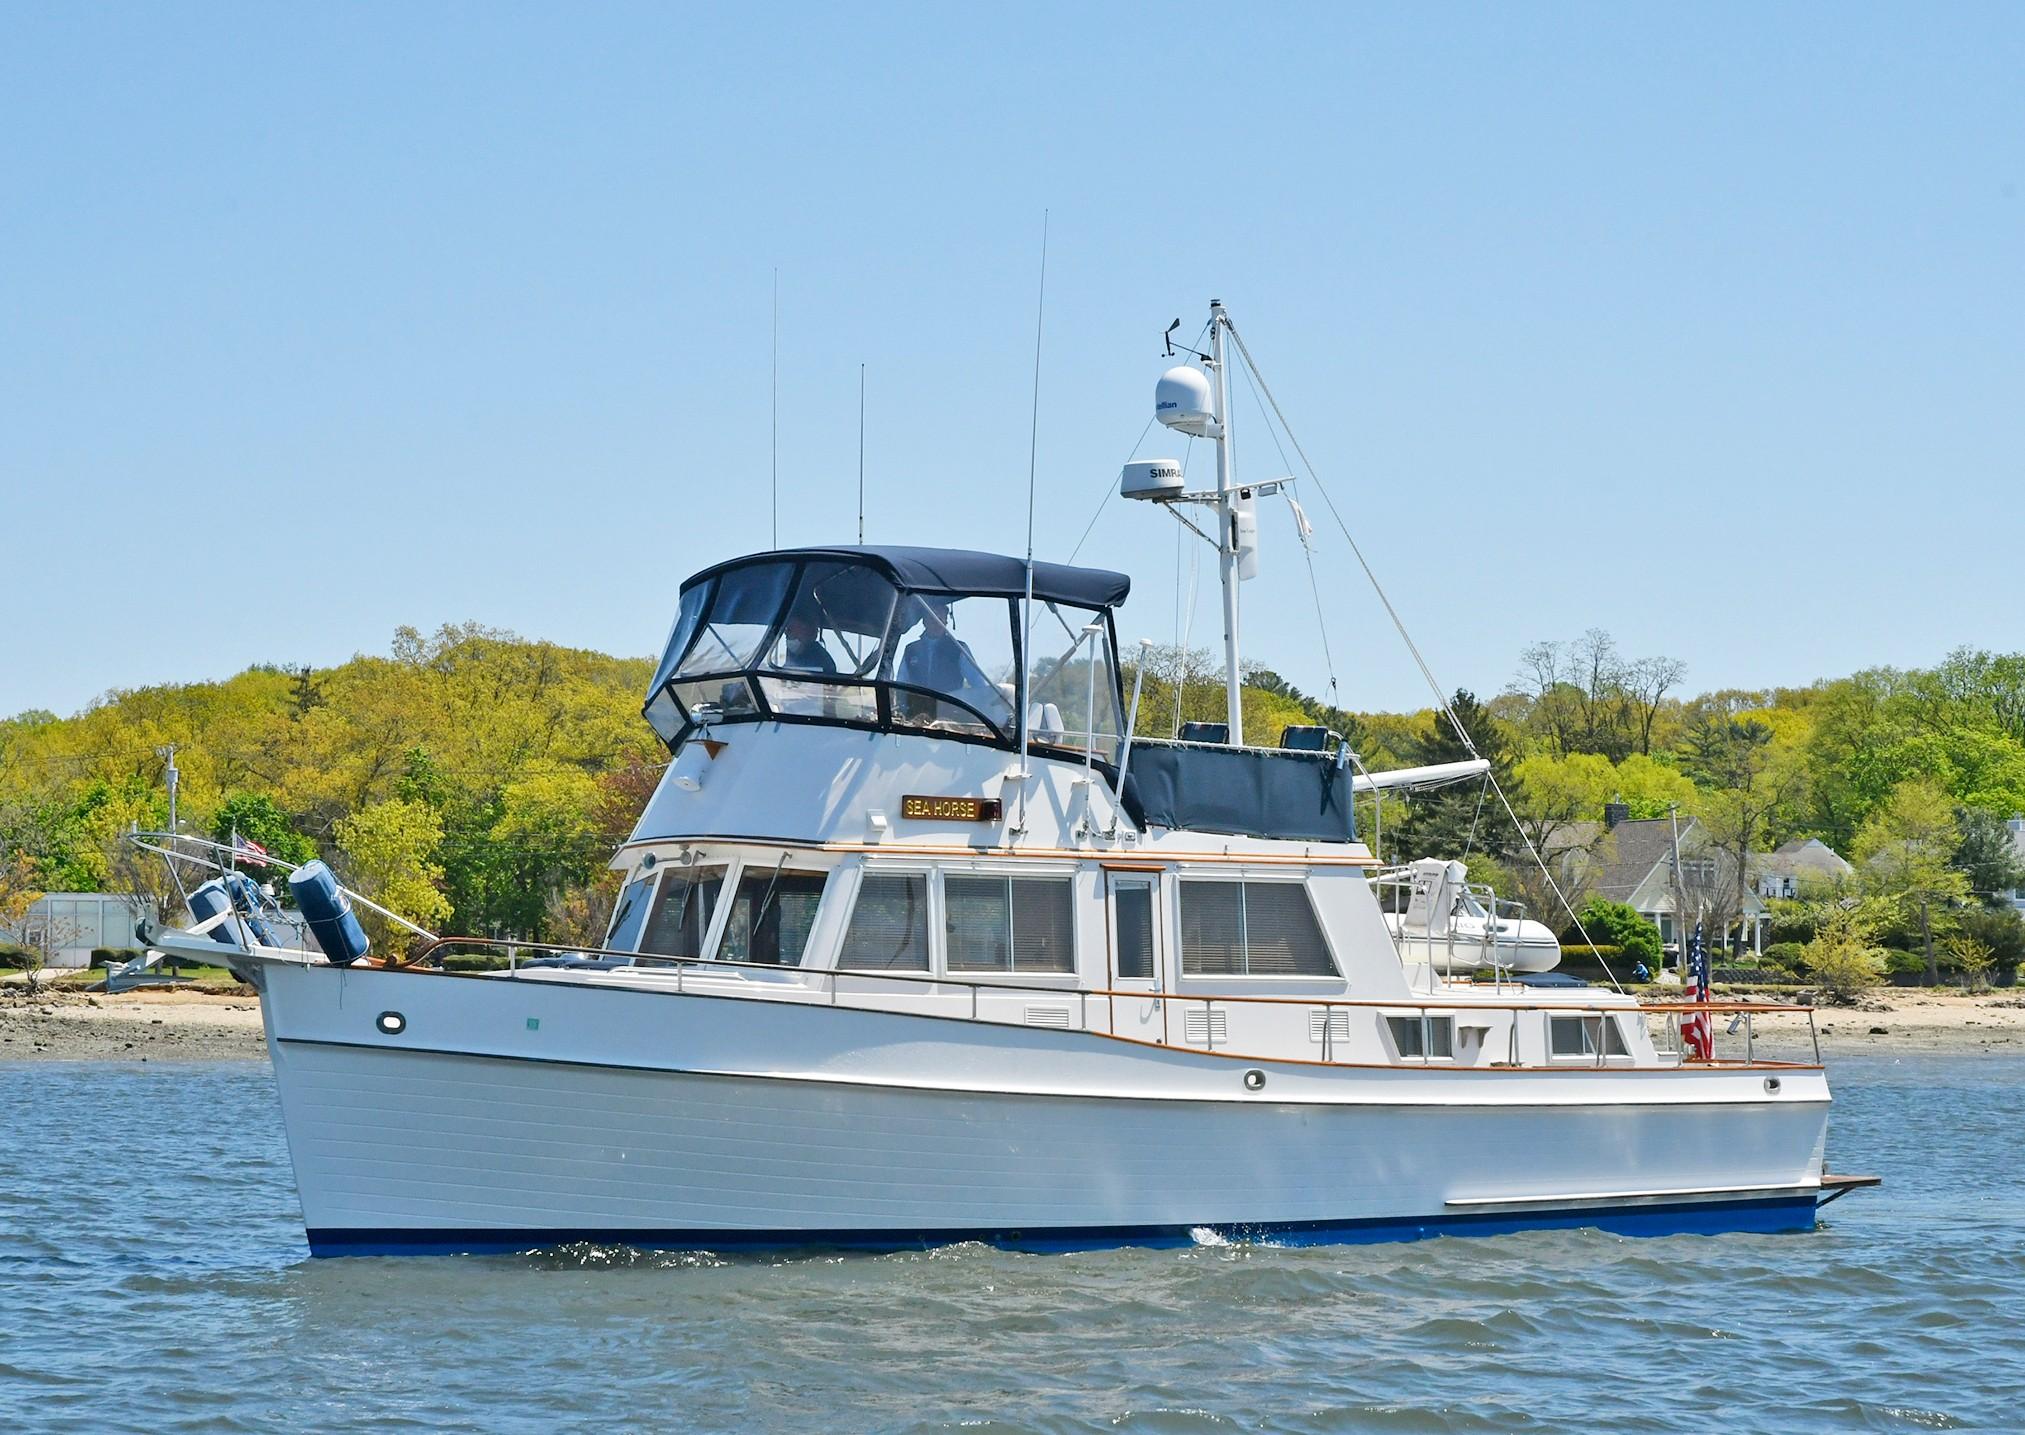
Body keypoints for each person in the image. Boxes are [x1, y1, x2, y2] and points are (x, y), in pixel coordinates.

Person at [780, 611, 837, 675]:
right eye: (787, 629)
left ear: (807, 631)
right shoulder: (794, 654)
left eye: (790, 629)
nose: (786, 632)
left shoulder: (820, 658)